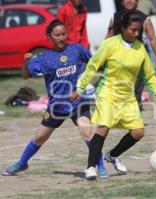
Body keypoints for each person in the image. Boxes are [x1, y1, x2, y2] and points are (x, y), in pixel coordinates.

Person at [70, 11, 156, 180]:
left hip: (127, 96)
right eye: (133, 30)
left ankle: (112, 155)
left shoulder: (140, 49)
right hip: (108, 93)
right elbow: (92, 66)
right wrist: (80, 88)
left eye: (139, 31)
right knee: (103, 127)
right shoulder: (110, 44)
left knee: (138, 132)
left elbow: (149, 76)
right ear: (123, 28)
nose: (136, 33)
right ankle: (90, 167)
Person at [2, 19, 107, 178]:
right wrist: (25, 62)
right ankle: (22, 163)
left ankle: (100, 167)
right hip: (57, 106)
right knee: (40, 137)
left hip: (78, 102)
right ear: (49, 37)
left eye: (64, 34)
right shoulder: (44, 58)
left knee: (87, 131)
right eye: (57, 35)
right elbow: (25, 75)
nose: (61, 37)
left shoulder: (77, 50)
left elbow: (95, 64)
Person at [106, 0, 156, 110]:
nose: (129, 1)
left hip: (137, 58)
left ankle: (135, 107)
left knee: (136, 89)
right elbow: (109, 36)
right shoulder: (116, 17)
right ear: (122, 2)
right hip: (119, 59)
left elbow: (153, 39)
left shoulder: (144, 18)